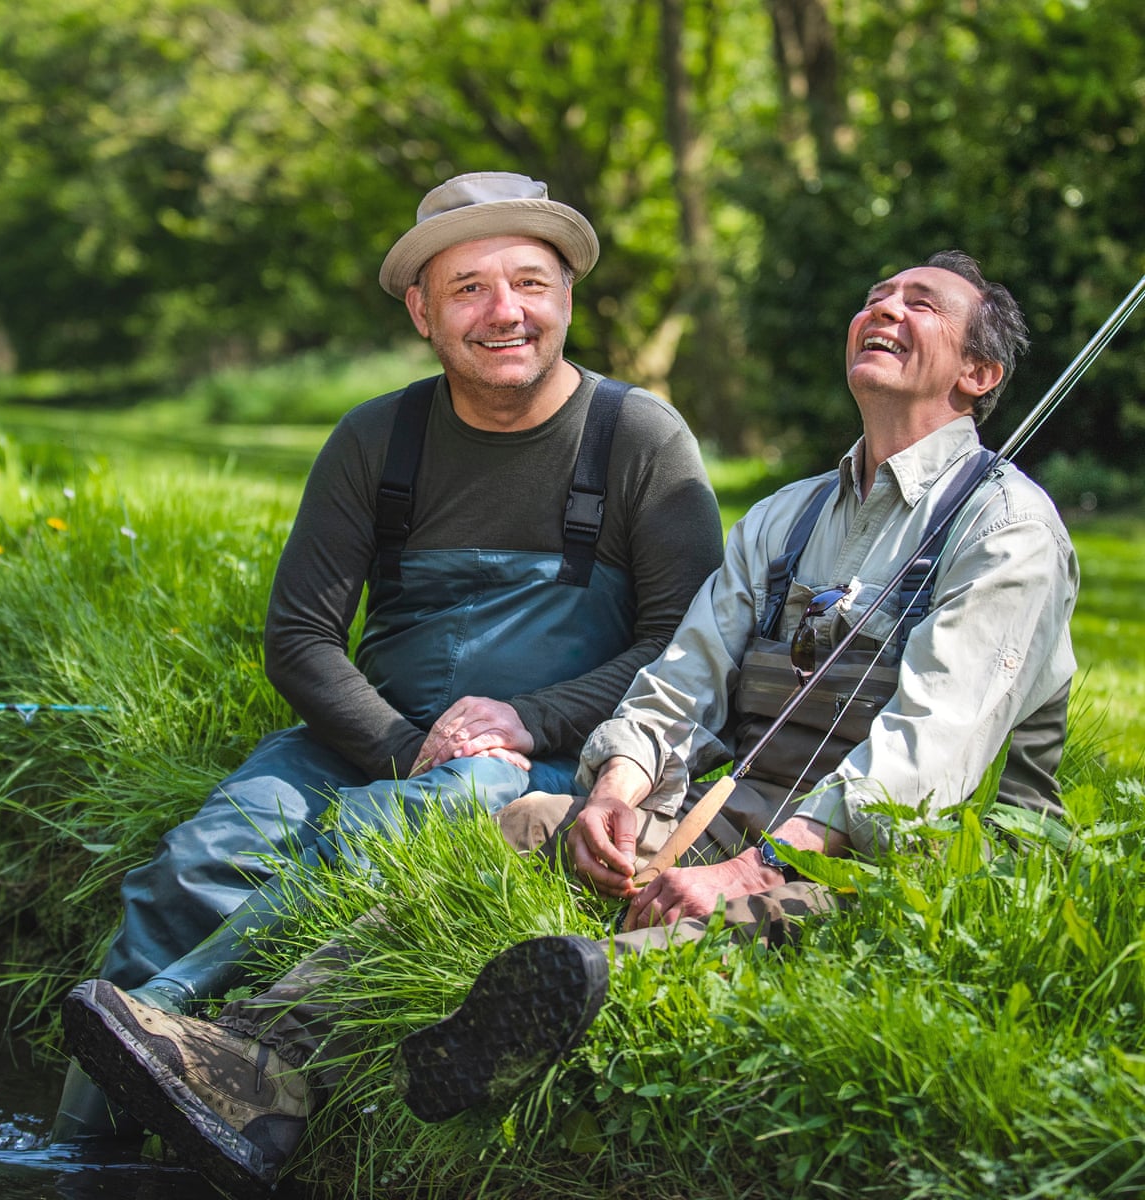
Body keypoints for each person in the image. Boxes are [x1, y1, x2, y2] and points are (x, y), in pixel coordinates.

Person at [60, 251, 1079, 1196]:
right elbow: (684, 674)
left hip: (911, 855)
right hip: (744, 806)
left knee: (740, 919)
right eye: (875, 297)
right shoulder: (792, 516)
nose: (883, 310)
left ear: (979, 375)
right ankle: (257, 1064)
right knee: (509, 831)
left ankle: (537, 1013)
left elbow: (931, 754)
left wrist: (754, 868)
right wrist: (618, 789)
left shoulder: (1007, 530)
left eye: (920, 304)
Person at [53, 171, 724, 1144]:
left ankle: (173, 1028)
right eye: (469, 288)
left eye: (530, 283)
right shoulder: (378, 437)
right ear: (422, 311)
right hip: (369, 742)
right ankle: (84, 1150)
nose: (506, 312)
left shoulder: (640, 438)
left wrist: (529, 719)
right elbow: (300, 637)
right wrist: (403, 747)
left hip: (552, 757)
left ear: (567, 297)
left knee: (389, 829)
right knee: (194, 864)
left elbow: (685, 644)